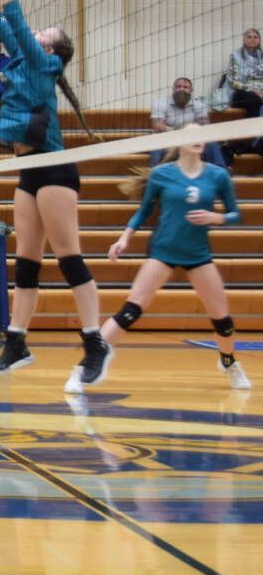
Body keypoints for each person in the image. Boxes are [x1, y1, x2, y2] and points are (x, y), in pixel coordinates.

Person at [0, 0, 102, 378]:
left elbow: (13, 15)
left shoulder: (45, 64)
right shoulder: (24, 60)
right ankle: (17, 344)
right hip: (30, 172)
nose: (35, 33)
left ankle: (94, 343)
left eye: (44, 33)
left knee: (69, 257)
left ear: (51, 49)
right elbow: (3, 18)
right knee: (26, 262)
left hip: (55, 169)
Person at [86, 127, 247, 392]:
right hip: (163, 251)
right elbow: (144, 211)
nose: (197, 139)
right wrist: (124, 238)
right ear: (179, 142)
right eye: (191, 135)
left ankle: (228, 361)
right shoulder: (162, 174)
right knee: (131, 308)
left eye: (201, 135)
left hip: (198, 253)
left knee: (223, 319)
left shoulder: (217, 175)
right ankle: (90, 361)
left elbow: (235, 214)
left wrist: (216, 217)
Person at [151, 77, 226, 167]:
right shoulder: (161, 103)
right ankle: (153, 173)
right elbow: (158, 127)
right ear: (173, 89)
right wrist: (183, 132)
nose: (181, 89)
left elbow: (204, 127)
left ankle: (221, 170)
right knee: (155, 143)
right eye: (178, 87)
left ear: (191, 90)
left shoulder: (199, 105)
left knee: (211, 142)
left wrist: (185, 134)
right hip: (167, 139)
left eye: (185, 87)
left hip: (191, 139)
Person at [225, 27, 263, 163]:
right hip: (242, 93)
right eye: (249, 36)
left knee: (257, 100)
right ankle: (248, 139)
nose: (252, 39)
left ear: (259, 40)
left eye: (255, 36)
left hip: (260, 93)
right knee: (254, 100)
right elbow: (233, 81)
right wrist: (254, 91)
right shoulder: (235, 56)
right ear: (244, 40)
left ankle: (258, 142)